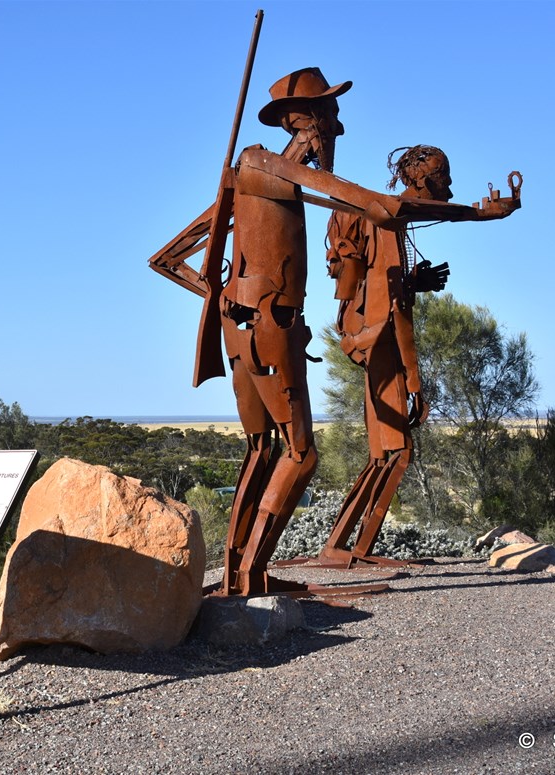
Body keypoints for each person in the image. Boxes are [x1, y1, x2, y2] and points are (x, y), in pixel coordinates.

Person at [149, 69, 521, 596]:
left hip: (247, 330)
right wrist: (482, 213)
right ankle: (251, 576)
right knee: (301, 454)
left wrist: (227, 298)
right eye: (334, 117)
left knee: (262, 450)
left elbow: (169, 260)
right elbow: (381, 205)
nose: (340, 130)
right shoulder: (266, 164)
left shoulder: (253, 174)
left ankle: (240, 578)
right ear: (309, 120)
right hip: (270, 329)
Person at [319, 145, 454, 566]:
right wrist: (413, 378)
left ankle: (342, 547)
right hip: (380, 340)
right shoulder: (386, 219)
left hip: (366, 336)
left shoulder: (383, 219)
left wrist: (416, 280)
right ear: (423, 179)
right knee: (398, 451)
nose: (448, 188)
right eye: (444, 179)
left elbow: (386, 287)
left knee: (382, 452)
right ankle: (353, 549)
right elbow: (395, 308)